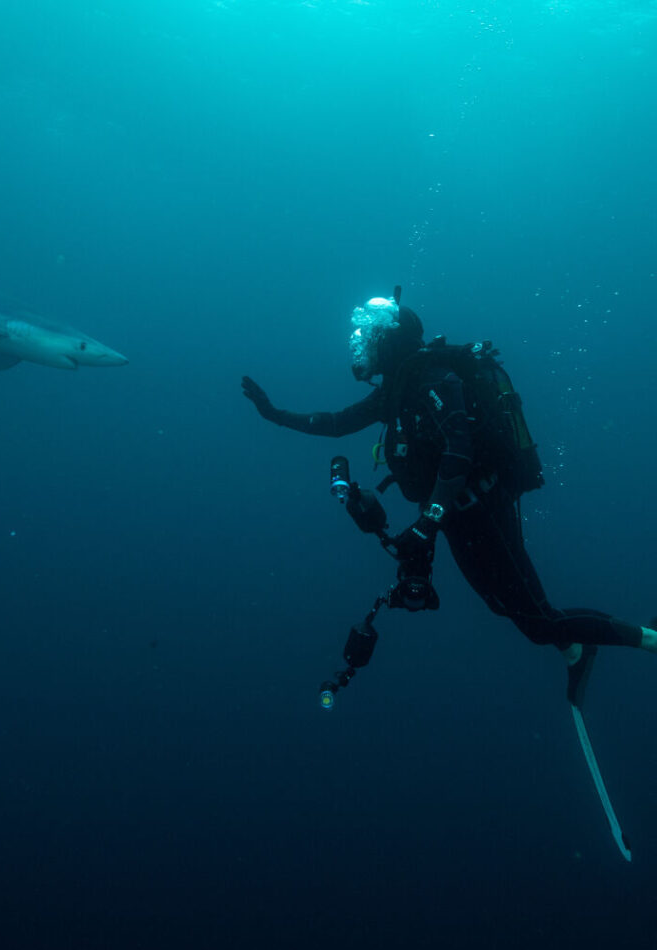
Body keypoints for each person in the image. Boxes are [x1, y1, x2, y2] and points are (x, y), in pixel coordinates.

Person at [242, 291, 657, 703]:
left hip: (483, 510)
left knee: (540, 619)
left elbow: (459, 450)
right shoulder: (397, 390)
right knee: (508, 610)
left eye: (371, 339)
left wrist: (429, 521)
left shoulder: (435, 379)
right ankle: (576, 652)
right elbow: (336, 423)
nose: (362, 347)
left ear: (391, 341)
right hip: (456, 521)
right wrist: (274, 414)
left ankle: (650, 640)